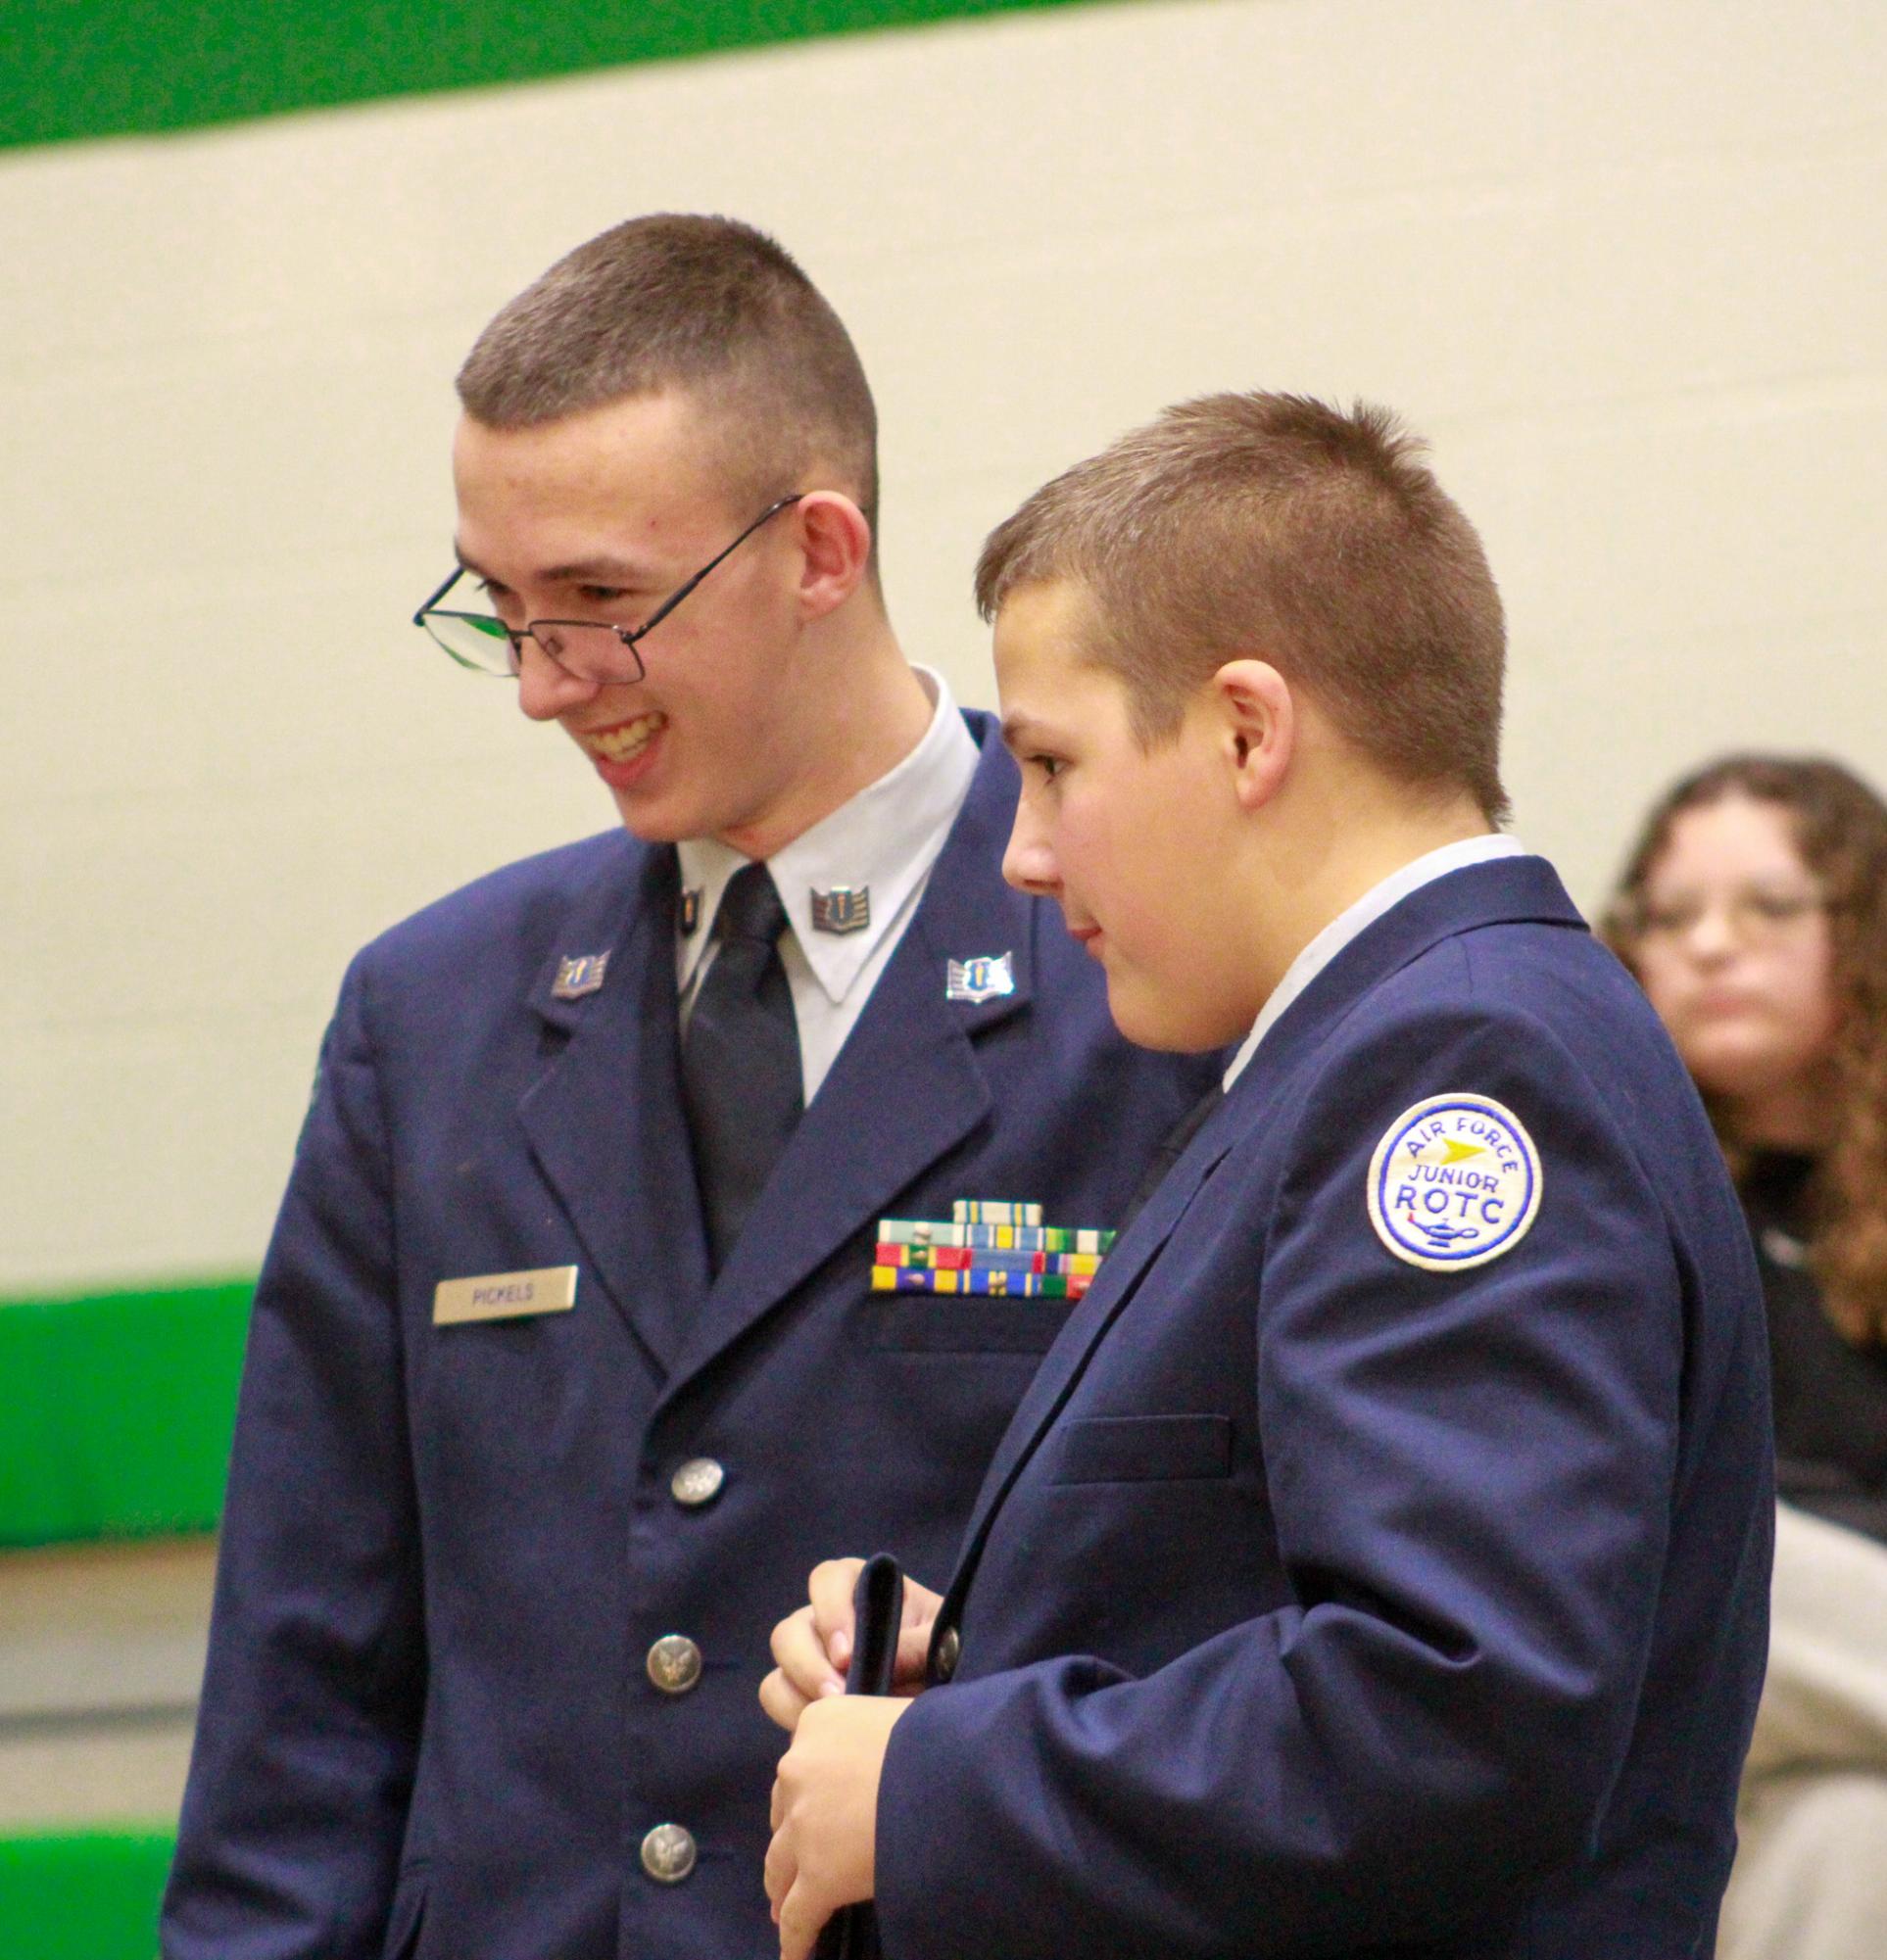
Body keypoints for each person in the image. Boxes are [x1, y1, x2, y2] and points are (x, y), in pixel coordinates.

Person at [160, 215, 1215, 1960]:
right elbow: (306, 1679)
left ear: (817, 548)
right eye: (496, 609)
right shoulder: (431, 1017)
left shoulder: (1143, 982)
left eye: (598, 602)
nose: (540, 684)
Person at [762, 393, 1774, 1959]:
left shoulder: (1457, 1071)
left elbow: (1448, 1712)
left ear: (1246, 729)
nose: (1022, 853)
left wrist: (938, 1786)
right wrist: (966, 1664)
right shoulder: (1362, 1046)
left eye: (1049, 764)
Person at [1602, 755, 1887, 1960]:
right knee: (1721, 1549)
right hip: (1655, 1652)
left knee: (1852, 1831)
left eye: (1768, 907)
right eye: (1671, 916)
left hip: (1826, 1716)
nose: (1710, 945)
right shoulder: (1600, 1185)